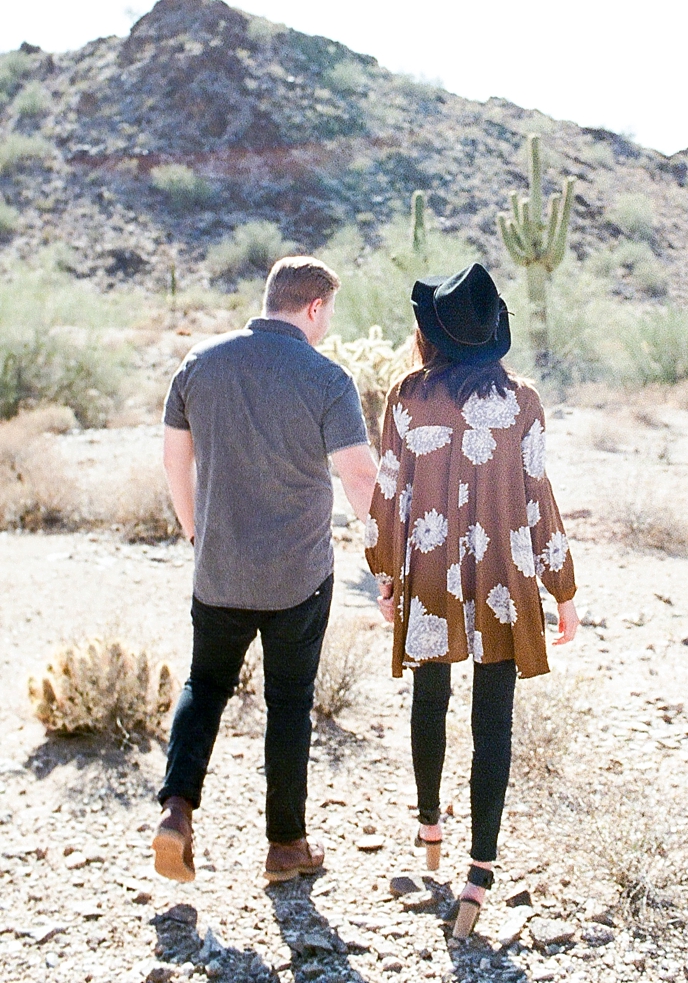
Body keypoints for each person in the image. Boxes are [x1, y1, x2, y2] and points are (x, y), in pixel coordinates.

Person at [365, 262, 579, 940]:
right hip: (504, 578)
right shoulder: (523, 401)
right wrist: (562, 588)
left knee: (430, 697)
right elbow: (539, 495)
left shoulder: (406, 397)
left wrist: (385, 573)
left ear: (432, 334)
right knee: (494, 721)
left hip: (429, 568)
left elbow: (389, 492)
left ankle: (429, 827)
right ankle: (478, 874)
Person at [154, 255, 379, 884]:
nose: (328, 324)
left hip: (219, 568)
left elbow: (176, 459)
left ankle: (176, 811)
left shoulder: (200, 363)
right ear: (313, 307)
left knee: (205, 687)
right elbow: (359, 477)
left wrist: (194, 531)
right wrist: (385, 559)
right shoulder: (326, 377)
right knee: (288, 704)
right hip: (298, 576)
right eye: (327, 312)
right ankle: (286, 846)